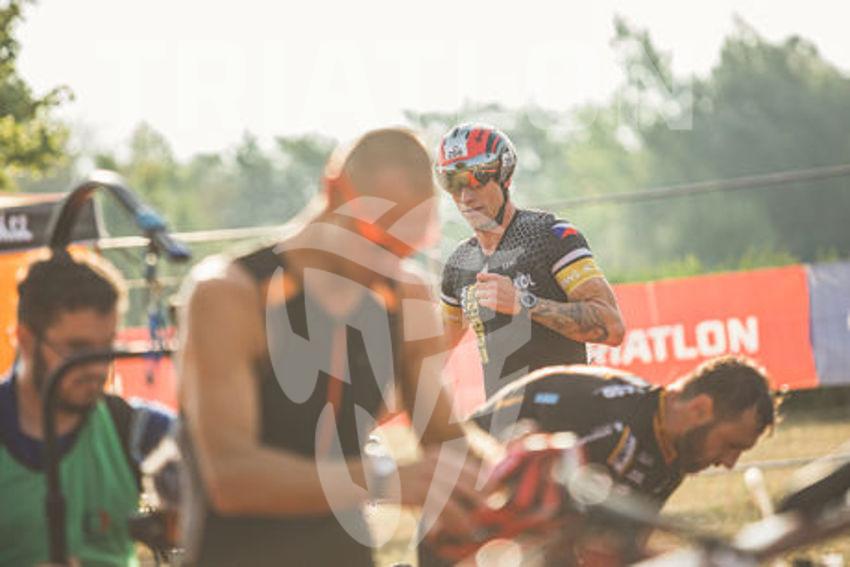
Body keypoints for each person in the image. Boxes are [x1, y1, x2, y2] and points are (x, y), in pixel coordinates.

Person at [177, 128, 486, 566]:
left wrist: (528, 467)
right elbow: (231, 477)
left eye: (405, 250)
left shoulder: (404, 294)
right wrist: (382, 478)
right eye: (378, 242)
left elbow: (445, 441)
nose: (388, 265)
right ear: (334, 190)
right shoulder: (230, 295)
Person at [420, 355, 778, 565]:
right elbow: (569, 539)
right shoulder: (612, 420)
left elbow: (625, 546)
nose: (729, 462)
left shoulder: (674, 449)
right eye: (730, 445)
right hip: (466, 529)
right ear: (699, 409)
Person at [0, 251, 173, 566]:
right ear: (25, 339)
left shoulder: (132, 429)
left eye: (106, 347)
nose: (96, 367)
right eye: (77, 349)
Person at [435, 123, 625, 398]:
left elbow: (612, 327)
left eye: (476, 178)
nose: (465, 196)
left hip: (570, 413)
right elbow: (429, 358)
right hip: (506, 420)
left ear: (504, 176)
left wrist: (523, 303)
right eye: (452, 182)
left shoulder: (550, 236)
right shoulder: (459, 265)